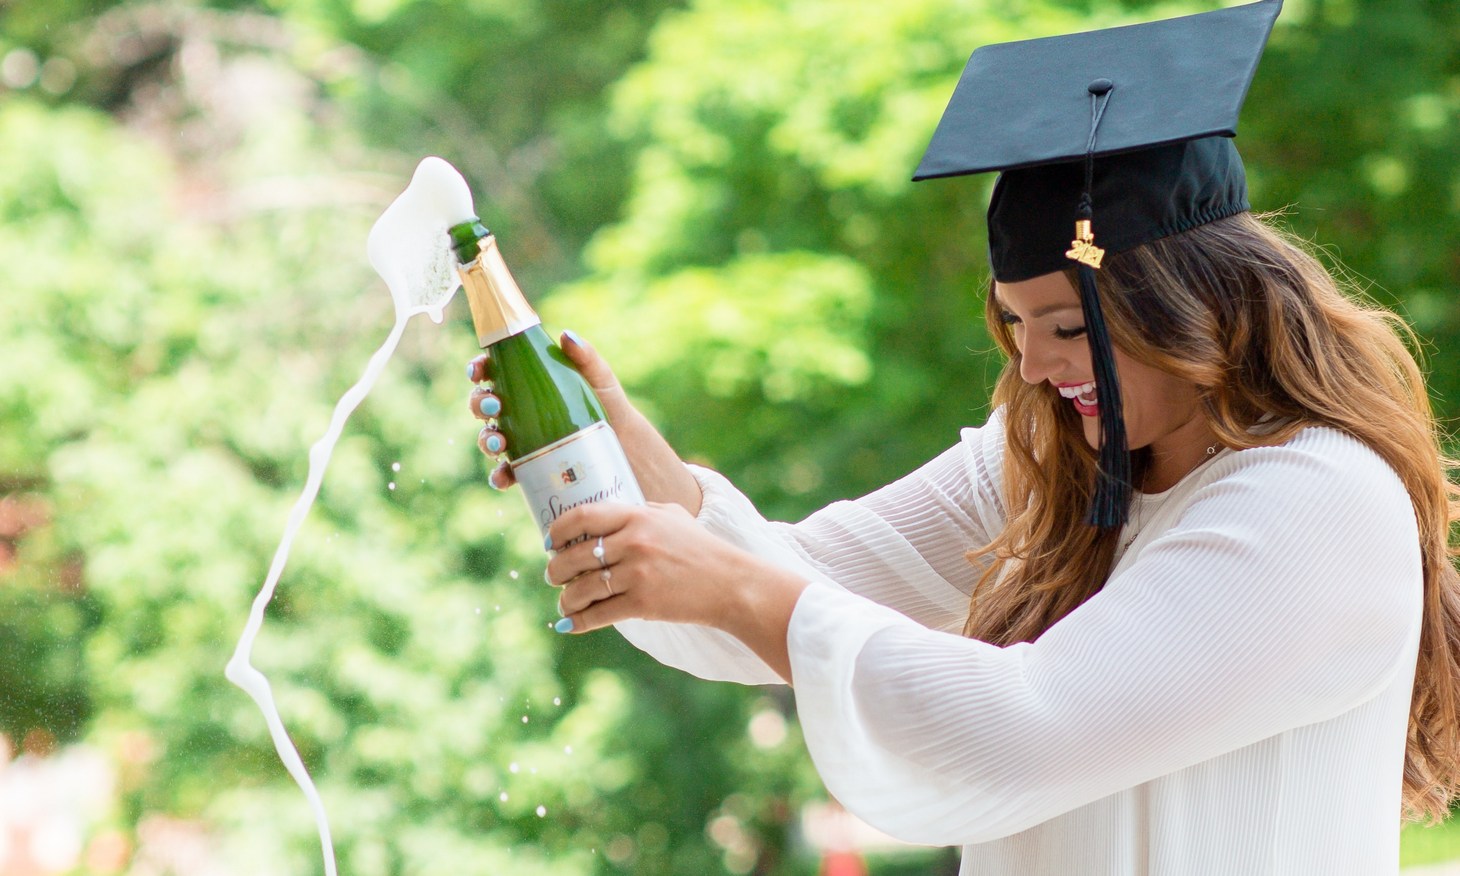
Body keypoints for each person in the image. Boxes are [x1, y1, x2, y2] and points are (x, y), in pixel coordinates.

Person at [466, 1, 1460, 872]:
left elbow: (1019, 732)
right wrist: (612, 448)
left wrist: (730, 587)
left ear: (1191, 305)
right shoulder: (1042, 465)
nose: (1032, 368)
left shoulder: (1311, 502)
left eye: (1067, 327)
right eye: (1011, 328)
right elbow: (794, 582)